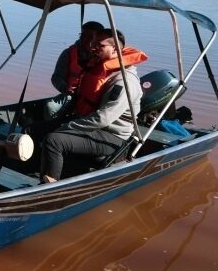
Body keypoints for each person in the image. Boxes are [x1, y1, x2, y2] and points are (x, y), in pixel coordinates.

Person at [40, 29, 148, 183]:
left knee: (54, 140)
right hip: (91, 126)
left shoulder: (124, 82)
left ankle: (48, 188)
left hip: (112, 136)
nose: (93, 48)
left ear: (115, 49)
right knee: (35, 129)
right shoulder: (99, 69)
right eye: (93, 44)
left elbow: (103, 119)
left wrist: (69, 126)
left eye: (100, 46)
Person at [44, 20, 105, 118]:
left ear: (99, 39)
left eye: (90, 37)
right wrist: (64, 87)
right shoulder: (68, 53)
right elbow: (56, 77)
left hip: (95, 98)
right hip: (72, 96)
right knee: (50, 106)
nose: (85, 39)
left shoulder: (104, 57)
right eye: (82, 35)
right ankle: (51, 129)